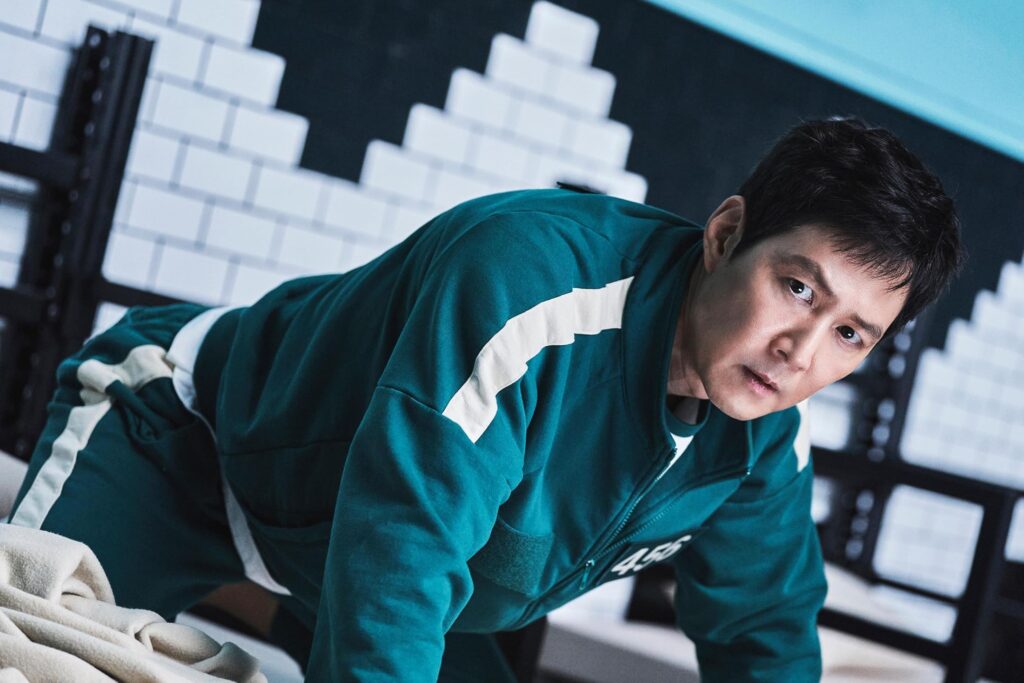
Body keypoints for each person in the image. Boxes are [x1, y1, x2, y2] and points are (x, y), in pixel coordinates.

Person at [6, 116, 963, 681]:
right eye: (796, 287)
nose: (800, 352)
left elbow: (763, 635)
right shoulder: (529, 285)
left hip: (360, 558)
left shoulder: (763, 435)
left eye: (851, 333)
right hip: (188, 440)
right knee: (31, 655)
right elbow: (403, 542)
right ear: (726, 234)